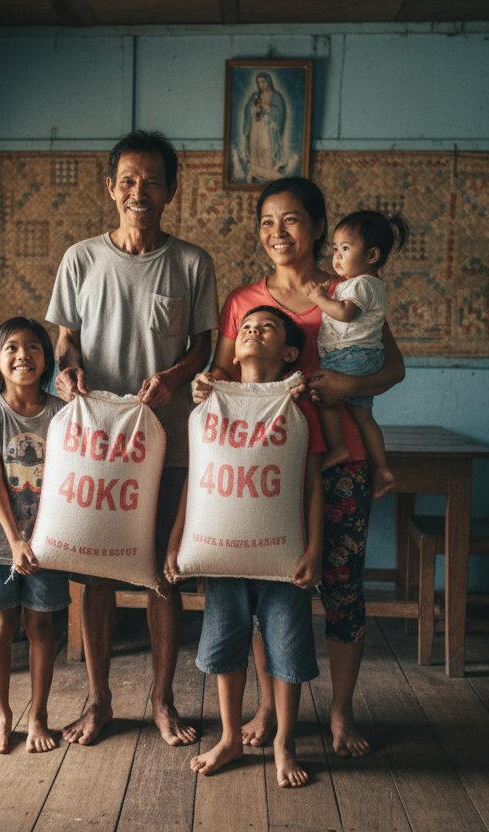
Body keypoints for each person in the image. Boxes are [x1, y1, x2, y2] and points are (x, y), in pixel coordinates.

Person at [193, 176, 405, 758]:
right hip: (263, 469)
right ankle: (266, 707)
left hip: (341, 461)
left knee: (341, 586)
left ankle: (340, 712)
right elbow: (226, 377)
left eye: (290, 220)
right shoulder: (242, 300)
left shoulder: (348, 289)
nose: (276, 232)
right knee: (267, 588)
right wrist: (204, 381)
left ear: (316, 226)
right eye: (267, 221)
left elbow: (394, 368)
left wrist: (346, 384)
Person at [47, 129, 219, 747]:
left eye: (151, 181)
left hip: (166, 442)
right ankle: (98, 703)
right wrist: (66, 368)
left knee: (162, 575)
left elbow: (203, 345)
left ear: (171, 190)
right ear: (111, 187)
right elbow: (64, 336)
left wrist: (177, 376)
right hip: (96, 446)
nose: (138, 192)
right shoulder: (81, 258)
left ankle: (163, 700)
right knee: (92, 576)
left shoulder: (193, 262)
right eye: (127, 180)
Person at [165, 305, 324, 788]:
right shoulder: (211, 399)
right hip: (222, 554)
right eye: (246, 327)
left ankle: (284, 743)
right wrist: (175, 542)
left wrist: (315, 549)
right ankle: (231, 736)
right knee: (224, 641)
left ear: (291, 352)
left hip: (284, 555)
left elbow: (314, 483)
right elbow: (198, 480)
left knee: (287, 646)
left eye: (267, 327)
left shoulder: (298, 404)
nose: (252, 331)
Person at [0, 317, 69, 754]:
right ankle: (1, 714)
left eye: (32, 347)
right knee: (2, 624)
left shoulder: (62, 413)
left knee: (41, 624)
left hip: (49, 541)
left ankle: (39, 715)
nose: (22, 355)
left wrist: (38, 540)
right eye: (11, 348)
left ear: (47, 359)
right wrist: (16, 541)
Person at [303, 210, 409, 499]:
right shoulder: (356, 284)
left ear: (373, 255)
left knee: (321, 392)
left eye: (346, 249)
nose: (336, 256)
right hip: (361, 357)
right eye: (335, 249)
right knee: (364, 418)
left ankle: (337, 448)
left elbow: (345, 313)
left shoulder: (362, 284)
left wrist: (319, 298)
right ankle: (383, 468)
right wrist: (330, 291)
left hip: (349, 356)